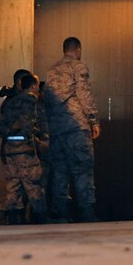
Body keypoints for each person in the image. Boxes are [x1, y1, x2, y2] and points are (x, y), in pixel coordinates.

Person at [43, 37, 101, 223]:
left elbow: (47, 100)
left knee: (60, 171)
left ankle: (60, 213)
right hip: (76, 127)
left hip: (56, 129)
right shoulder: (78, 67)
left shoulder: (51, 71)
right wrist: (94, 120)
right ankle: (86, 211)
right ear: (78, 49)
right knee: (82, 169)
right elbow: (84, 95)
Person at [0, 73, 49, 224]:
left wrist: (12, 131)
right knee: (34, 185)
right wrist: (39, 144)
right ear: (33, 86)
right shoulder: (30, 99)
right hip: (25, 150)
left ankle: (2, 217)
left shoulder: (10, 102)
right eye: (37, 85)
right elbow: (28, 127)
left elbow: (0, 128)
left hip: (10, 150)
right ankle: (42, 221)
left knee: (13, 187)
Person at [0, 68, 33, 224]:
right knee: (15, 189)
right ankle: (8, 217)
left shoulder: (21, 100)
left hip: (21, 149)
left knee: (18, 190)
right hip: (15, 150)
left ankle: (15, 218)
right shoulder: (13, 103)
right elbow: (2, 129)